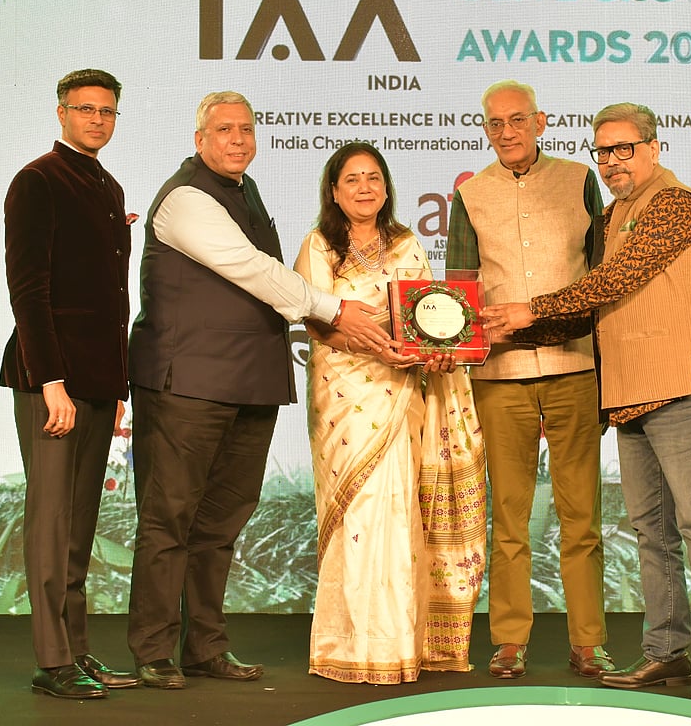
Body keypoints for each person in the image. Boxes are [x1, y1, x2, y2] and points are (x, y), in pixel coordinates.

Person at [126, 92, 391, 689]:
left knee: (221, 523)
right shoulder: (185, 198)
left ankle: (205, 647)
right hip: (187, 383)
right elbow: (249, 267)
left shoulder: (245, 190)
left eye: (246, 129)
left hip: (248, 382)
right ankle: (151, 650)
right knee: (169, 520)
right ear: (199, 139)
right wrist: (331, 308)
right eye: (224, 130)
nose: (238, 139)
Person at [482, 103, 691, 701]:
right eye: (602, 152)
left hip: (681, 385)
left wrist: (528, 310)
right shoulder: (612, 214)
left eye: (624, 149)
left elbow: (614, 281)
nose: (611, 162)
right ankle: (665, 652)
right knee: (651, 530)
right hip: (626, 392)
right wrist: (503, 330)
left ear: (654, 146)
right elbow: (590, 311)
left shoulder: (678, 204)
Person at [295, 143, 487, 684]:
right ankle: (353, 645)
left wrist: (439, 346)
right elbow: (313, 319)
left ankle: (401, 641)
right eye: (351, 179)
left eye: (373, 178)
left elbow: (429, 313)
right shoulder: (319, 246)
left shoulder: (405, 243)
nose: (363, 187)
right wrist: (371, 345)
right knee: (359, 512)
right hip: (345, 396)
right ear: (333, 190)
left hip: (403, 388)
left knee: (400, 509)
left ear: (386, 187)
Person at [446, 80, 612, 680]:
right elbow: (459, 287)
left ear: (541, 122)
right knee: (509, 516)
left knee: (580, 515)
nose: (507, 132)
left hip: (576, 366)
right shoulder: (470, 194)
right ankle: (510, 640)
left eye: (518, 120)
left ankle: (588, 641)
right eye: (495, 123)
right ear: (485, 129)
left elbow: (601, 277)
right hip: (500, 373)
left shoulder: (579, 180)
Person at [0, 68, 138, 699]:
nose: (97, 120)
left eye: (107, 111)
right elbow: (29, 290)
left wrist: (114, 388)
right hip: (48, 377)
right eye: (86, 110)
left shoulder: (107, 187)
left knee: (80, 520)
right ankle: (51, 660)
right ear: (61, 113)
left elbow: (112, 298)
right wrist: (51, 379)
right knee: (52, 520)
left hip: (97, 380)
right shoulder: (37, 181)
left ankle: (78, 650)